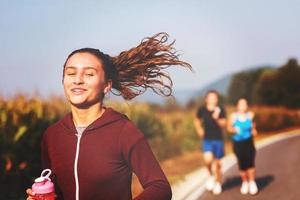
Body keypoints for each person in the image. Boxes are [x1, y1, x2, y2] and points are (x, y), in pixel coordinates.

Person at [26, 32, 192, 200]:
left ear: (106, 85)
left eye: (89, 74)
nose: (78, 80)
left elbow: (160, 187)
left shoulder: (122, 130)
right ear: (63, 81)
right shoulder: (52, 135)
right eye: (70, 73)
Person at [194, 90, 226, 195]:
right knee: (207, 160)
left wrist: (217, 118)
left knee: (218, 164)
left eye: (215, 98)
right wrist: (199, 129)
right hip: (207, 139)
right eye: (210, 98)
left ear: (217, 99)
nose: (213, 100)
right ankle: (210, 175)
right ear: (206, 99)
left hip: (218, 139)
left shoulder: (220, 109)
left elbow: (224, 124)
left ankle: (218, 183)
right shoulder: (202, 109)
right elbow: (197, 120)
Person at [227, 98, 258, 195]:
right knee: (242, 163)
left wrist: (254, 131)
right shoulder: (233, 116)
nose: (243, 106)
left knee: (250, 162)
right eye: (241, 104)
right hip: (238, 143)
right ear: (237, 106)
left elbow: (253, 127)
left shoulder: (251, 115)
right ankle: (245, 182)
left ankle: (252, 182)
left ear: (247, 106)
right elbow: (229, 128)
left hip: (248, 142)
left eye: (245, 104)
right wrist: (234, 130)